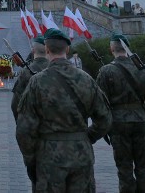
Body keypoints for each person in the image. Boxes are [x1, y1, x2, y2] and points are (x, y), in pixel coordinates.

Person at [16, 28, 112, 192]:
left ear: (46, 49)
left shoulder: (37, 82)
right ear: (67, 49)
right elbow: (105, 119)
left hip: (49, 156)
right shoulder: (86, 79)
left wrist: (30, 160)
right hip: (81, 154)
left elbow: (25, 129)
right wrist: (86, 137)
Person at [96, 34, 145, 193]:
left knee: (124, 168)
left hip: (118, 123)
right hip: (141, 120)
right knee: (143, 166)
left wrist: (103, 126)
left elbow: (101, 102)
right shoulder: (142, 69)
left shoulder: (106, 70)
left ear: (111, 49)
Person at [11, 36, 49, 121]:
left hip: (32, 124)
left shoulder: (25, 72)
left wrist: (21, 123)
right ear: (48, 50)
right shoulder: (55, 69)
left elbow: (15, 103)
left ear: (33, 50)